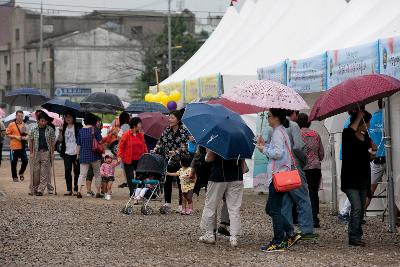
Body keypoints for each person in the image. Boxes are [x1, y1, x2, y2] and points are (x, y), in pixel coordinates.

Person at [256, 108, 301, 252]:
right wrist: (265, 145)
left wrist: (263, 149)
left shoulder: (277, 133)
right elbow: (278, 149)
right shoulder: (281, 131)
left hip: (277, 176)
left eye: (269, 116)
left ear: (276, 118)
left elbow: (278, 153)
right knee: (270, 209)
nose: (268, 118)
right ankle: (291, 232)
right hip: (280, 174)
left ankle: (278, 241)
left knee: (274, 210)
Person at [279, 110, 315, 239]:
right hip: (294, 165)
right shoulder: (293, 125)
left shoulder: (274, 127)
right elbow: (298, 146)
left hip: (280, 167)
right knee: (302, 198)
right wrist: (304, 159)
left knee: (285, 200)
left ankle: (287, 231)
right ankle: (306, 229)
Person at [199, 149, 245, 247]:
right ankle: (233, 237)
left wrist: (208, 151)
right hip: (236, 177)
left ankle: (209, 234)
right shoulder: (240, 142)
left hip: (218, 176)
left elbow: (208, 159)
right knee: (234, 208)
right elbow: (243, 166)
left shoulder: (218, 139)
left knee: (211, 205)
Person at [341, 110, 374, 246]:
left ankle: (357, 234)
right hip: (350, 179)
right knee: (357, 207)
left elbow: (368, 157)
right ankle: (353, 237)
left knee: (360, 208)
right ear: (361, 122)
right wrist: (359, 115)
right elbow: (350, 131)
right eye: (367, 122)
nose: (369, 124)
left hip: (363, 178)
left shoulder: (365, 137)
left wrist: (373, 153)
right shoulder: (347, 134)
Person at [153, 110, 190, 213]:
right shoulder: (167, 130)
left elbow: (186, 145)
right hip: (169, 160)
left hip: (181, 160)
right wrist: (155, 149)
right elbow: (160, 141)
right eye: (169, 117)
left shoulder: (184, 130)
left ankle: (180, 204)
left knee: (180, 182)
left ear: (178, 119)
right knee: (167, 181)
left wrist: (176, 151)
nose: (170, 119)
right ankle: (167, 202)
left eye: (172, 118)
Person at [297, 113, 325, 228]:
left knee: (301, 193)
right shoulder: (316, 134)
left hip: (302, 167)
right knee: (313, 193)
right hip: (315, 167)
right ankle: (315, 219)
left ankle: (302, 218)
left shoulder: (297, 134)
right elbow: (321, 153)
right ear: (309, 122)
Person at [118, 117, 148, 196]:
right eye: (139, 123)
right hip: (128, 159)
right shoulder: (126, 134)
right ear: (134, 125)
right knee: (130, 176)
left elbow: (144, 146)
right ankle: (132, 192)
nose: (140, 125)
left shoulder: (141, 135)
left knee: (139, 176)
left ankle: (137, 191)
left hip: (139, 159)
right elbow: (121, 146)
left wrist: (146, 154)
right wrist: (119, 156)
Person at [76, 113, 103, 199]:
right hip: (95, 156)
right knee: (97, 174)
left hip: (83, 156)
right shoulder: (95, 130)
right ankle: (98, 192)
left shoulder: (80, 131)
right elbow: (101, 142)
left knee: (82, 175)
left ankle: (79, 191)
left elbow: (78, 145)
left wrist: (77, 155)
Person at [28, 112, 56, 196]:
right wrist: (31, 152)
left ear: (47, 121)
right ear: (38, 121)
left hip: (46, 152)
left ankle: (41, 190)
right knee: (36, 172)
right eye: (42, 121)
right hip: (36, 152)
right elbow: (31, 141)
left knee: (44, 172)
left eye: (45, 121)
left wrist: (52, 153)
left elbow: (52, 142)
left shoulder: (50, 129)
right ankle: (35, 188)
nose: (43, 122)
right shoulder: (33, 129)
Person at [58, 111, 82, 196]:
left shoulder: (78, 126)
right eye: (66, 117)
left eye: (69, 116)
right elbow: (60, 140)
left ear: (73, 118)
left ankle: (76, 189)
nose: (67, 118)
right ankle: (69, 189)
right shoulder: (63, 127)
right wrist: (60, 131)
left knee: (77, 171)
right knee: (67, 171)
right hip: (67, 153)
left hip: (76, 153)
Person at [6, 110, 29, 182]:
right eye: (18, 116)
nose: (20, 117)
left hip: (22, 146)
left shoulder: (24, 124)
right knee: (13, 163)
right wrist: (15, 137)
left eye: (21, 116)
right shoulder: (11, 124)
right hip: (14, 147)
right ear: (16, 116)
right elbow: (7, 134)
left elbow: (27, 134)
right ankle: (14, 177)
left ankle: (21, 172)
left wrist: (26, 137)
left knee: (25, 161)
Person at [117, 112, 131, 188]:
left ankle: (127, 182)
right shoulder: (130, 126)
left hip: (124, 149)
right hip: (131, 148)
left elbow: (119, 137)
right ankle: (130, 181)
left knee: (125, 167)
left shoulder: (123, 127)